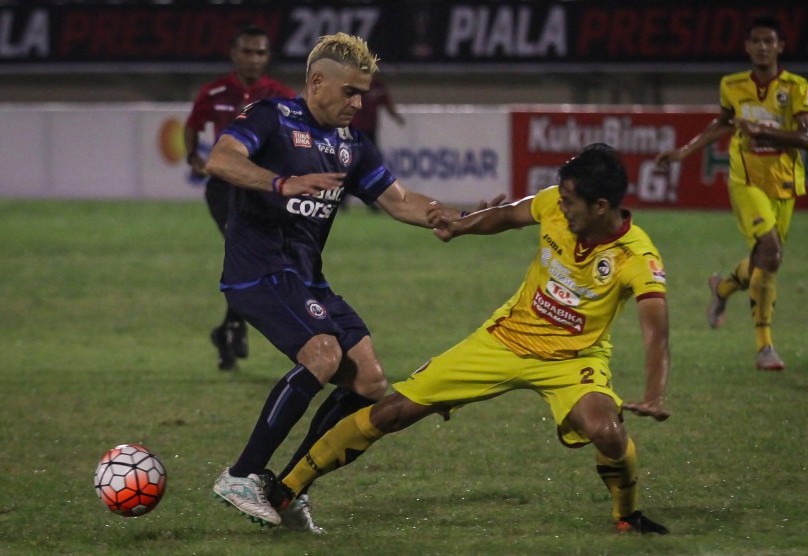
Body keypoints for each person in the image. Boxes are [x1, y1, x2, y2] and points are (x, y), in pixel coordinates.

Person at [265, 143, 672, 535]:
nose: (560, 206)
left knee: (607, 432)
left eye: (570, 202)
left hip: (573, 359)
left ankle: (627, 515)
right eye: (561, 198)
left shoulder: (637, 257)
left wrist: (654, 393)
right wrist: (459, 227)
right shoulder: (553, 204)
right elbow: (508, 215)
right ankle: (288, 487)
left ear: (601, 206)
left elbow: (656, 332)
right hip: (504, 339)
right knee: (393, 412)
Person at [203, 33, 500, 532]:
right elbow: (221, 159)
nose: (359, 103)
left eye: (364, 92)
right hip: (258, 271)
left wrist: (457, 217)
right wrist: (280, 182)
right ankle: (241, 474)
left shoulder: (351, 145)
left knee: (369, 379)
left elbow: (400, 199)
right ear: (317, 82)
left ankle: (286, 489)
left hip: (307, 280)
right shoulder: (271, 118)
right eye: (350, 92)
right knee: (322, 354)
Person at [655, 15, 808, 371]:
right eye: (755, 41)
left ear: (780, 47)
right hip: (746, 182)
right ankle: (764, 347)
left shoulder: (797, 87)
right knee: (771, 253)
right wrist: (683, 152)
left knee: (765, 258)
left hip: (784, 184)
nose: (762, 47)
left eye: (768, 41)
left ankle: (723, 289)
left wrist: (763, 131)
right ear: (747, 46)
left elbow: (807, 138)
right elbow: (723, 123)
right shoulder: (732, 85)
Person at [184, 26, 296, 371]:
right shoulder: (215, 91)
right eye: (247, 51)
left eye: (260, 52)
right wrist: (193, 156)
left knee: (255, 258)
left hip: (259, 187)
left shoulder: (279, 94)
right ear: (234, 54)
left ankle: (229, 330)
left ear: (267, 57)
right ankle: (233, 328)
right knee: (247, 253)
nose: (254, 58)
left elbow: (297, 134)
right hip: (224, 187)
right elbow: (193, 124)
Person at [346, 76, 406, 212]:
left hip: (370, 132)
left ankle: (372, 202)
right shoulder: (355, 84)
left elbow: (387, 103)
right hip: (356, 132)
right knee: (352, 166)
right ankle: (344, 201)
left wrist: (397, 117)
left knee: (368, 167)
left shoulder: (377, 86)